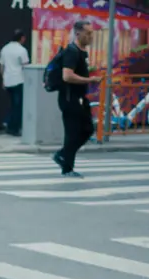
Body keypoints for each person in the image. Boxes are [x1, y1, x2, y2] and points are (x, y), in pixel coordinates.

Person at [55, 19, 102, 178]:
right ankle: (67, 167)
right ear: (78, 33)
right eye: (87, 33)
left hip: (80, 98)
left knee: (87, 129)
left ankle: (63, 155)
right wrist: (90, 80)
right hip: (70, 98)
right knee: (72, 132)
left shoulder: (81, 52)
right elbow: (67, 76)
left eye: (91, 33)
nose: (90, 37)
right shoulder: (72, 51)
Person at [0, 29, 30, 137]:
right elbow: (26, 66)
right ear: (22, 38)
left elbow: (1, 66)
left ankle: (9, 124)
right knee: (18, 106)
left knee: (12, 104)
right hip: (19, 80)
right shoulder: (22, 50)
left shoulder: (5, 49)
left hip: (8, 80)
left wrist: (3, 79)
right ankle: (14, 128)